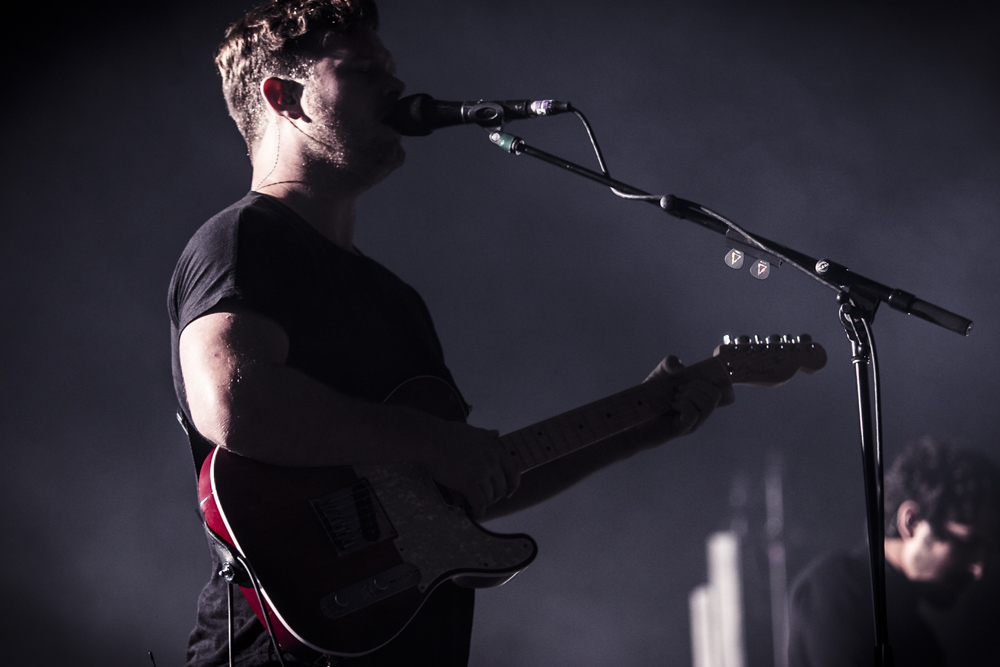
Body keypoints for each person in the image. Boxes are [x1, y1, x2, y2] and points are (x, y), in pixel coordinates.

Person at [168, 1, 733, 665]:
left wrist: (646, 423)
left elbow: (459, 488)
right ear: (283, 97)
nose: (396, 85)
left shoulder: (393, 297)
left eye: (391, 68)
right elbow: (235, 402)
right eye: (363, 70)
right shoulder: (245, 239)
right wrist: (431, 440)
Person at [787, 437, 999, 667]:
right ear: (911, 522)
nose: (979, 569)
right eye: (967, 544)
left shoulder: (923, 641)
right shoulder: (837, 585)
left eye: (989, 551)